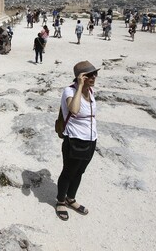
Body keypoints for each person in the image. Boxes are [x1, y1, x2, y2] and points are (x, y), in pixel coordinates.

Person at [56, 60, 99, 221]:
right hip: (74, 140)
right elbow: (74, 111)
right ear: (80, 77)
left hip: (90, 139)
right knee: (68, 172)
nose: (93, 77)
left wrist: (85, 88)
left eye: (95, 74)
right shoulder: (70, 91)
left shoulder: (91, 92)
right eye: (89, 75)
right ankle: (60, 201)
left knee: (80, 172)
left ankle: (71, 198)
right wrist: (80, 87)